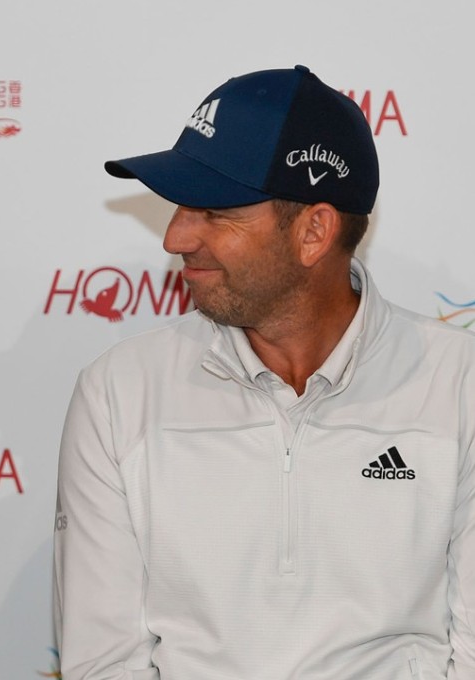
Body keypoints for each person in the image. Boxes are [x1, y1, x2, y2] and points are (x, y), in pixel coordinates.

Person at [52, 65, 475, 679]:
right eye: (178, 208)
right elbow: (104, 662)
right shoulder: (119, 393)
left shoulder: (460, 385)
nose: (175, 237)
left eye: (214, 211)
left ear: (314, 232)